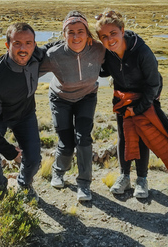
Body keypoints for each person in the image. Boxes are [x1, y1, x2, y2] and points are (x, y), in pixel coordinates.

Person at [95, 9, 168, 199]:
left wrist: (140, 108)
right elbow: (103, 72)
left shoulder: (141, 51)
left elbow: (153, 84)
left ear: (122, 30)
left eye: (113, 34)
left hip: (145, 100)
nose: (109, 39)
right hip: (122, 101)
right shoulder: (108, 54)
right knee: (124, 137)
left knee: (143, 138)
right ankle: (124, 177)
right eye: (104, 37)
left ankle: (142, 179)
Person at [40, 11, 106, 201]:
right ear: (63, 35)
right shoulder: (54, 55)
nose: (76, 36)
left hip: (87, 97)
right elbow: (29, 70)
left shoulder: (99, 50)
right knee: (67, 142)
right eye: (71, 32)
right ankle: (58, 172)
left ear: (87, 34)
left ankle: (84, 184)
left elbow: (122, 57)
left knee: (83, 138)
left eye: (80, 31)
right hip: (60, 98)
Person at [0, 22, 43, 202]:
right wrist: (8, 150)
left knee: (34, 159)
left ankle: (24, 184)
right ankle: (1, 191)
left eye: (28, 43)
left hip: (25, 115)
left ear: (35, 45)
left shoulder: (37, 56)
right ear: (7, 45)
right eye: (17, 43)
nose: (23, 48)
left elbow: (60, 48)